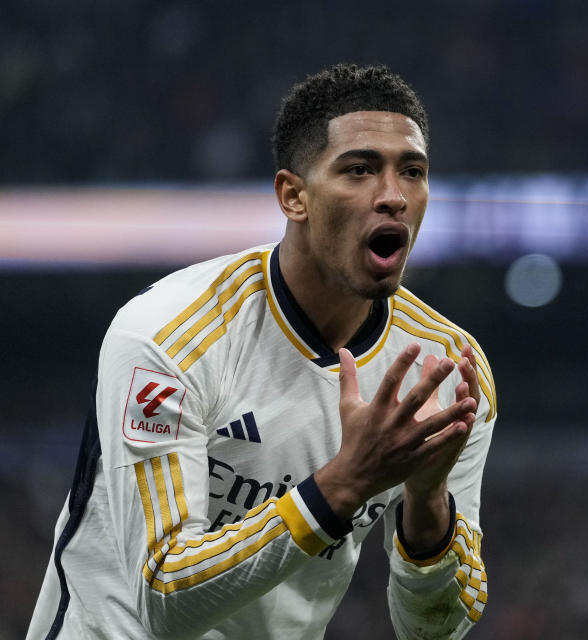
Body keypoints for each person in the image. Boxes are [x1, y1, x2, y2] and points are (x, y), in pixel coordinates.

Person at [28, 63, 495, 639]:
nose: (394, 196)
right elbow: (165, 599)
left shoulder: (447, 371)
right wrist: (346, 482)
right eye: (359, 170)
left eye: (413, 172)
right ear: (293, 196)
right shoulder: (166, 338)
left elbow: (433, 631)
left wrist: (427, 500)